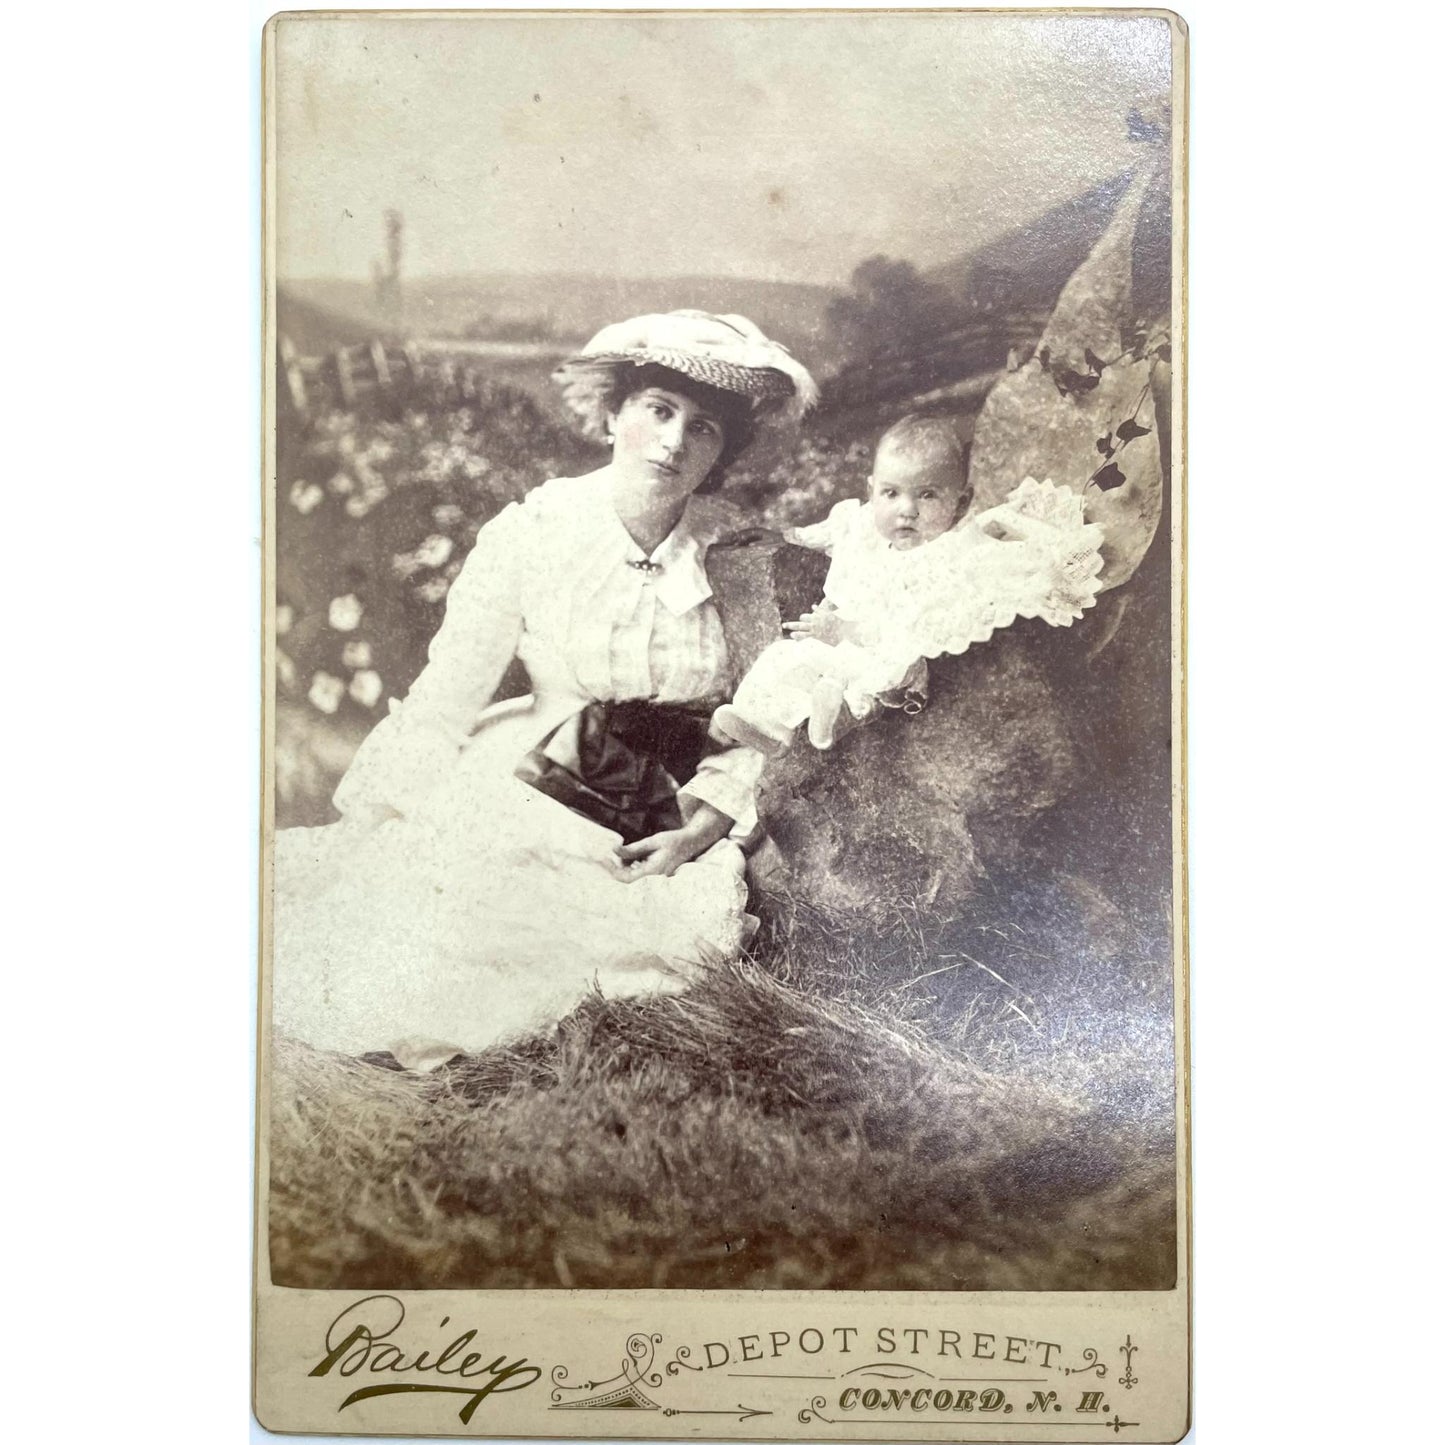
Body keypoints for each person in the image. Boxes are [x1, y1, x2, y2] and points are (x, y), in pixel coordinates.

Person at [272, 311, 818, 1068]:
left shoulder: (732, 548)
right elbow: (448, 692)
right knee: (477, 917)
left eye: (702, 429)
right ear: (613, 414)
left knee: (667, 935)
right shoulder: (533, 530)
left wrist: (707, 820)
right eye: (657, 411)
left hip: (681, 791)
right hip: (545, 765)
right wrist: (388, 807)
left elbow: (765, 705)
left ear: (721, 453)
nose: (672, 441)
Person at [711, 415, 1107, 753]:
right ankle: (767, 727)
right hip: (839, 646)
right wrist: (787, 536)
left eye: (928, 495)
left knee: (877, 672)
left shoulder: (954, 554)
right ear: (872, 492)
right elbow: (829, 532)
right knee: (785, 657)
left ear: (962, 502)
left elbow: (902, 630)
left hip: (887, 650)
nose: (906, 510)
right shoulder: (864, 528)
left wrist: (844, 629)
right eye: (891, 493)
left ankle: (842, 714)